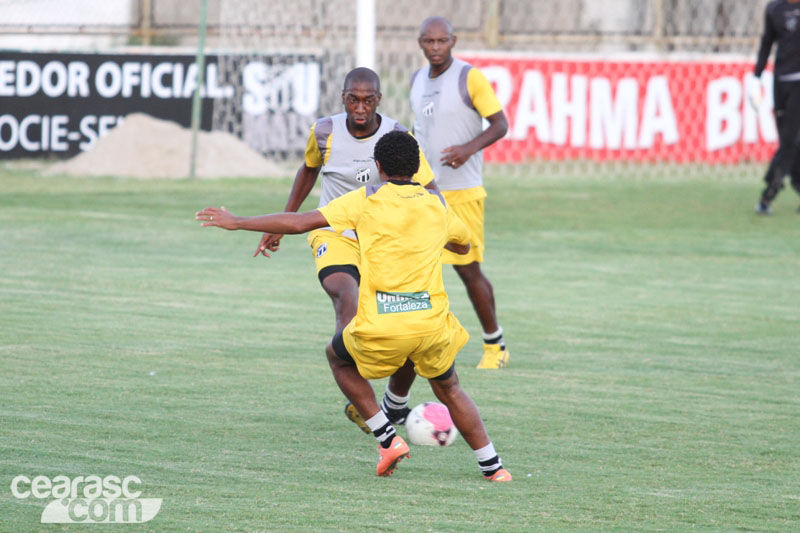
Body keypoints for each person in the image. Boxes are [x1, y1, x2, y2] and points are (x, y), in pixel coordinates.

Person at [196, 131, 511, 481]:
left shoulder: (365, 200)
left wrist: (237, 221)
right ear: (418, 168)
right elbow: (464, 247)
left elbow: (302, 223)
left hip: (384, 325)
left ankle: (388, 438)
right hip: (432, 324)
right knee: (450, 388)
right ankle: (494, 468)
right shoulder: (437, 204)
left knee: (337, 358)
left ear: (378, 167)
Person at [254, 68, 435, 432]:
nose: (360, 108)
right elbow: (308, 170)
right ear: (343, 97)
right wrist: (285, 222)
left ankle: (388, 404)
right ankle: (364, 400)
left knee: (403, 325)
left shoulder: (399, 136)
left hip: (381, 239)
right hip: (332, 232)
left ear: (379, 100)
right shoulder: (324, 131)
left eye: (368, 100)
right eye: (353, 99)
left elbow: (429, 188)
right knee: (344, 295)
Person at [410, 16, 511, 368]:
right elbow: (418, 131)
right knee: (417, 270)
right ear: (420, 43)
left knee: (468, 271)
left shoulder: (469, 77)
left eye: (442, 41)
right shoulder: (416, 80)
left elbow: (500, 124)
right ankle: (422, 344)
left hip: (463, 192)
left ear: (453, 41)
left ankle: (494, 345)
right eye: (429, 42)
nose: (435, 48)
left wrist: (468, 148)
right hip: (424, 193)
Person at [753, 0, 800, 215]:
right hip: (780, 82)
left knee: (790, 140)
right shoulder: (774, 9)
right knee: (788, 142)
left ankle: (768, 193)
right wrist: (756, 77)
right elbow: (767, 42)